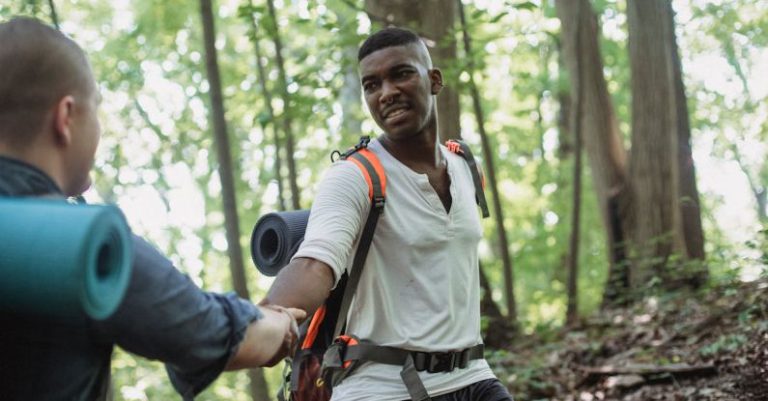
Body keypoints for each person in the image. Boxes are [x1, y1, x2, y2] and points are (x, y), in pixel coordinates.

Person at [0, 17, 305, 401]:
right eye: (96, 109)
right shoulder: (90, 247)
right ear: (66, 117)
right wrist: (281, 323)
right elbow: (227, 337)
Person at [261, 27, 513, 401]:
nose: (386, 92)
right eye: (371, 84)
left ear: (434, 80)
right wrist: (259, 323)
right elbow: (315, 264)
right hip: (382, 389)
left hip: (473, 377)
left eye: (401, 74)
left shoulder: (466, 167)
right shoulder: (353, 176)